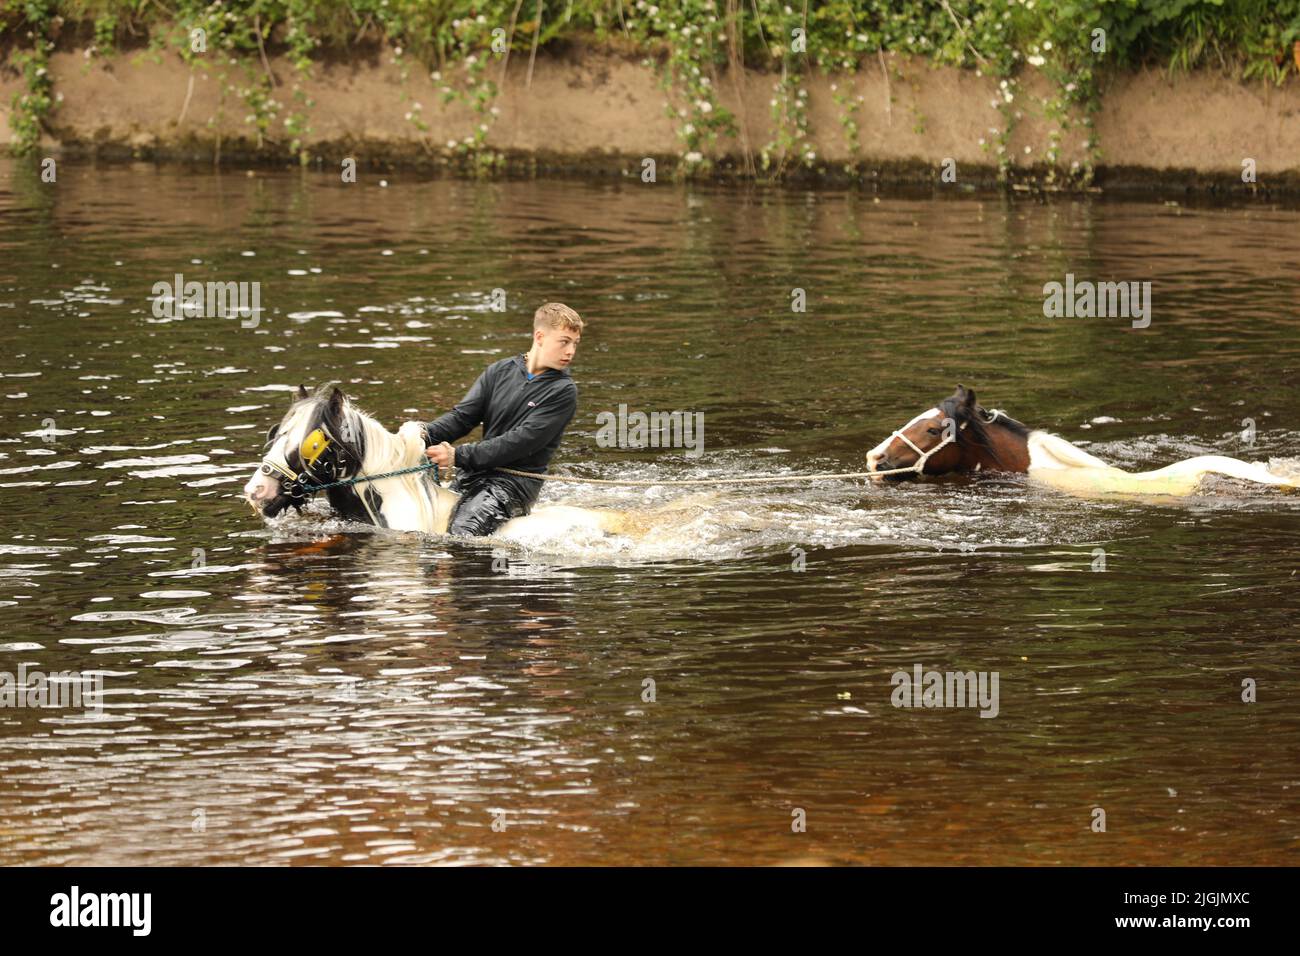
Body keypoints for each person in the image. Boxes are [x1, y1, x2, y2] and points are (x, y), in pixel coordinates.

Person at [422, 302, 583, 536]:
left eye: (575, 344)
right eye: (564, 342)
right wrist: (419, 435)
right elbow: (462, 418)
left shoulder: (563, 391)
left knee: (461, 532)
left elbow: (521, 441)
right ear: (540, 337)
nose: (571, 352)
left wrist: (458, 456)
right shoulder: (499, 371)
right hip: (473, 476)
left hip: (512, 485)